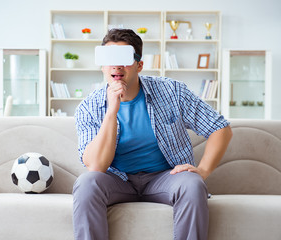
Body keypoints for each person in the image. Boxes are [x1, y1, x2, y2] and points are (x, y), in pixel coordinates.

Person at [73, 28, 233, 240]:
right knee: (86, 183)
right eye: (110, 59)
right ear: (103, 66)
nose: (117, 66)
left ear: (139, 65)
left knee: (193, 184)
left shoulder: (172, 91)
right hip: (117, 180)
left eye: (125, 59)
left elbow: (220, 128)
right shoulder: (89, 106)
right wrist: (112, 110)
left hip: (165, 177)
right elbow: (96, 166)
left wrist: (202, 170)